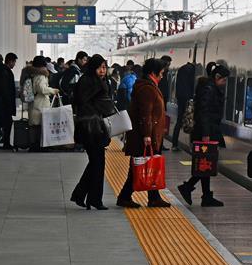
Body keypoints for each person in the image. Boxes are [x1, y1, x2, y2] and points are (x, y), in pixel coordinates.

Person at [116, 58, 171, 209]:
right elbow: (145, 114)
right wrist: (147, 135)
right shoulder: (147, 88)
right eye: (161, 73)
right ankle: (125, 197)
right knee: (138, 167)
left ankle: (153, 198)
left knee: (143, 165)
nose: (162, 76)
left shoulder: (149, 86)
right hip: (145, 136)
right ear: (153, 73)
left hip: (149, 135)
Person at [177, 62, 229, 207]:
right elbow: (204, 112)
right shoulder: (209, 89)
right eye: (223, 80)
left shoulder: (209, 87)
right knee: (206, 163)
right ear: (217, 77)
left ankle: (205, 195)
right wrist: (206, 134)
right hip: (205, 133)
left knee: (206, 163)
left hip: (207, 131)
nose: (224, 83)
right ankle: (188, 187)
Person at [70, 55, 115, 210]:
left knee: (96, 163)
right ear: (93, 67)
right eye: (99, 67)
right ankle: (93, 199)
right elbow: (94, 104)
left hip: (92, 128)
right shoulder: (90, 82)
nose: (102, 70)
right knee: (98, 163)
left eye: (104, 67)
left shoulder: (92, 81)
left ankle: (82, 195)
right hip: (91, 128)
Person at [28, 56, 60, 151]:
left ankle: (35, 146)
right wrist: (53, 90)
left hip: (36, 103)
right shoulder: (41, 76)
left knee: (36, 126)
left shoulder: (33, 74)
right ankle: (39, 146)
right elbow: (42, 89)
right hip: (40, 103)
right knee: (40, 125)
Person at [0, 52, 17, 150]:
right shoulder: (4, 71)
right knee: (7, 123)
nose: (14, 64)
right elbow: (4, 89)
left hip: (0, 102)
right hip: (3, 103)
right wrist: (8, 103)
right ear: (10, 61)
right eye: (14, 62)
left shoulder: (2, 70)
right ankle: (5, 143)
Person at [170, 59, 196, 151]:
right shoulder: (192, 71)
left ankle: (174, 144)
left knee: (179, 121)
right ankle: (192, 146)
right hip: (188, 99)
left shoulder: (182, 69)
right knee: (192, 121)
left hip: (180, 98)